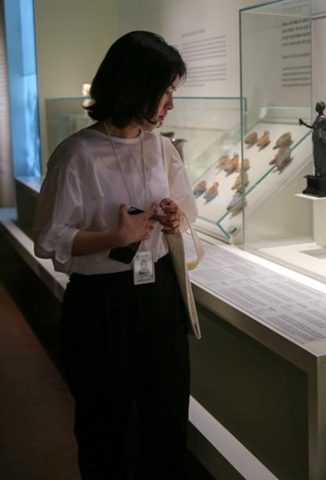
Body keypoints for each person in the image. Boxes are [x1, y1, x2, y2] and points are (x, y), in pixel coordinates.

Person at [32, 31, 197, 479]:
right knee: (105, 430)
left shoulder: (161, 147)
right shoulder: (76, 156)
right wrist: (112, 236)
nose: (170, 104)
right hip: (103, 305)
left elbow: (187, 208)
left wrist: (173, 217)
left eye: (173, 92)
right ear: (135, 87)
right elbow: (48, 240)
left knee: (165, 424)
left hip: (160, 297)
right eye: (166, 92)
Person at [298, 101, 326, 177]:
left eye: (317, 106)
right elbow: (313, 126)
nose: (315, 107)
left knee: (321, 156)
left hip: (321, 139)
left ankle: (323, 172)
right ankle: (318, 171)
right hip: (316, 138)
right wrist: (303, 123)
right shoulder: (317, 118)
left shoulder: (325, 118)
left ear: (320, 108)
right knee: (316, 155)